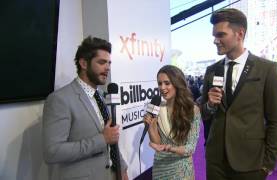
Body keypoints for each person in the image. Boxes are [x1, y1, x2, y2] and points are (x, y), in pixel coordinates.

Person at [200, 8, 277, 179]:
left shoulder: (267, 69)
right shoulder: (211, 70)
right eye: (214, 36)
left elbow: (276, 120)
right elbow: (204, 114)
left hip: (250, 162)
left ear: (239, 34)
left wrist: (268, 164)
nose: (215, 41)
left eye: (221, 35)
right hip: (216, 161)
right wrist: (209, 105)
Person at [42, 36, 128, 180]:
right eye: (102, 62)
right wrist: (102, 139)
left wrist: (122, 168)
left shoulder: (100, 96)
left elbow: (111, 138)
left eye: (109, 63)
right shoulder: (59, 99)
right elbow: (52, 152)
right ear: (84, 63)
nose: (107, 67)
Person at [144, 65, 200, 179]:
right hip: (160, 167)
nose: (162, 87)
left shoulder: (192, 110)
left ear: (177, 83)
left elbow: (191, 148)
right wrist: (150, 127)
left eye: (167, 83)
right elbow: (158, 144)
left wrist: (169, 148)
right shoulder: (157, 108)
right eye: (159, 83)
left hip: (181, 169)